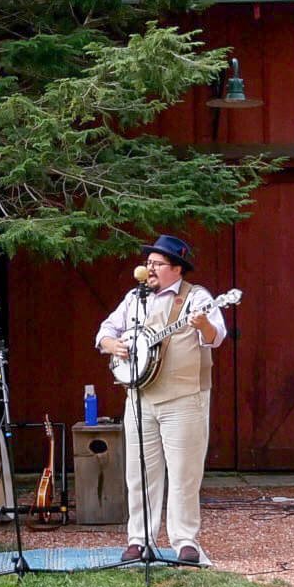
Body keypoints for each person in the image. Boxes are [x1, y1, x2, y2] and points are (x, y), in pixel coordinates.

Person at [94, 235, 227, 565]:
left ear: (177, 269)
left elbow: (216, 338)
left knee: (184, 474)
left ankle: (185, 542)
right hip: (139, 399)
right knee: (139, 474)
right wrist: (113, 345)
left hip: (183, 399)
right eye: (148, 263)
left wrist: (204, 324)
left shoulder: (197, 298)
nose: (148, 269)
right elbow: (104, 332)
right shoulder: (134, 299)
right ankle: (139, 539)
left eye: (157, 264)